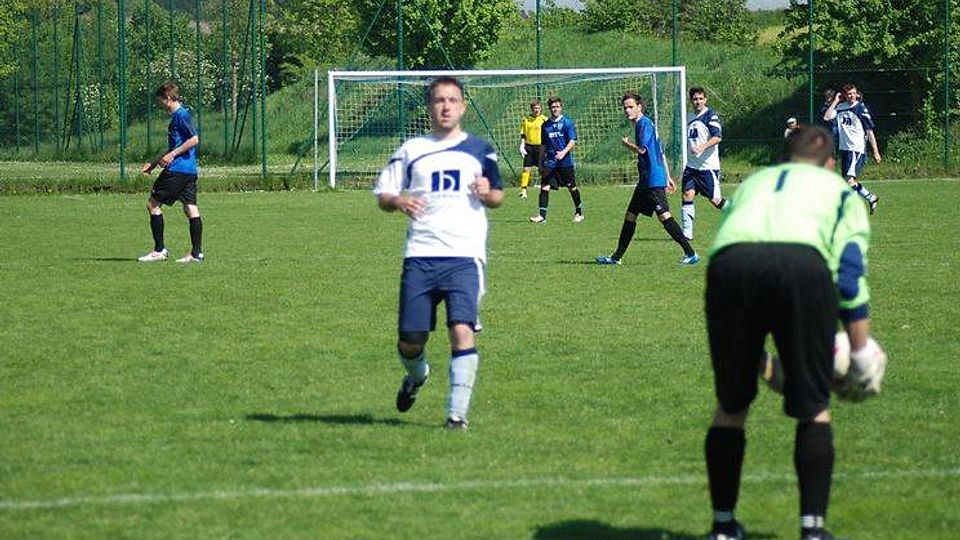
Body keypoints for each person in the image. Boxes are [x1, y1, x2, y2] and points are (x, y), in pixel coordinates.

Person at [703, 126, 883, 540]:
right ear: (832, 165)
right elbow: (850, 276)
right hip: (802, 266)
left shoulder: (753, 183)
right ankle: (812, 531)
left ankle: (723, 527)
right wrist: (859, 351)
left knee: (731, 405)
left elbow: (735, 239)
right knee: (813, 405)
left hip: (730, 266)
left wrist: (756, 360)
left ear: (782, 160)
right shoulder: (840, 192)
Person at [373, 76, 504, 431]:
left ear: (462, 106)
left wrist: (486, 190)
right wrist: (399, 199)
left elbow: (497, 197)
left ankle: (456, 416)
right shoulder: (412, 149)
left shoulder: (480, 149)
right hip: (421, 255)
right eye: (438, 100)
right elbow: (383, 194)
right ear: (430, 107)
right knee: (411, 341)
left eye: (452, 100)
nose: (446, 106)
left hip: (465, 255)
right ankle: (417, 376)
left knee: (462, 330)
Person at [596, 92, 699, 265]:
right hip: (647, 180)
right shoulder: (647, 123)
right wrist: (667, 176)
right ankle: (616, 257)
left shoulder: (643, 124)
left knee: (664, 216)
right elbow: (660, 152)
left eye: (630, 107)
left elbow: (642, 150)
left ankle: (691, 253)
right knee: (630, 215)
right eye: (625, 108)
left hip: (652, 179)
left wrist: (627, 144)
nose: (627, 111)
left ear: (639, 107)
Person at [138, 81, 203, 263]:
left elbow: (194, 139)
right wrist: (152, 164)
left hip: (177, 171)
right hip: (189, 171)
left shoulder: (181, 116)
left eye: (160, 101)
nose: (159, 105)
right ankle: (196, 253)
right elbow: (172, 146)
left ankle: (159, 250)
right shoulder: (177, 117)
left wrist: (173, 155)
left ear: (167, 98)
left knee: (152, 204)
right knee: (190, 208)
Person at [822, 83, 881, 214]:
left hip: (856, 148)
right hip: (845, 149)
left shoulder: (860, 108)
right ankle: (869, 199)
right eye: (849, 94)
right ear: (844, 95)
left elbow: (869, 131)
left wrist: (875, 151)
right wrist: (836, 101)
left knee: (849, 181)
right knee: (849, 181)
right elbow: (826, 117)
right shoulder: (841, 108)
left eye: (854, 93)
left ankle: (865, 200)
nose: (852, 96)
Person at [680, 86, 727, 241]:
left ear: (705, 99)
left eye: (700, 98)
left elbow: (717, 137)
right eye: (695, 99)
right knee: (687, 195)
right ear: (691, 100)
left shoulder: (711, 116)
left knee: (715, 200)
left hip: (708, 167)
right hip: (692, 167)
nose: (697, 102)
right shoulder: (688, 117)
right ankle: (687, 233)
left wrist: (702, 146)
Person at [529, 96, 584, 223]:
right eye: (553, 107)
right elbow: (543, 145)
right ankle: (542, 216)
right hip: (551, 162)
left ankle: (579, 212)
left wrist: (563, 152)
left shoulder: (567, 122)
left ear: (561, 108)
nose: (555, 109)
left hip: (565, 162)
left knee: (572, 187)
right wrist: (540, 162)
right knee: (544, 186)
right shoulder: (545, 125)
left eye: (557, 106)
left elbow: (572, 140)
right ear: (549, 109)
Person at [518, 99, 547, 199]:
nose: (537, 110)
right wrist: (522, 145)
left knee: (542, 170)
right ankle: (523, 191)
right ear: (532, 109)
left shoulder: (544, 119)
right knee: (526, 169)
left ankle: (544, 189)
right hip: (529, 147)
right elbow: (523, 134)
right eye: (535, 108)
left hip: (541, 147)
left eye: (539, 108)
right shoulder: (526, 120)